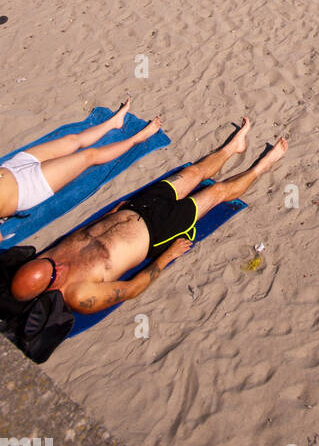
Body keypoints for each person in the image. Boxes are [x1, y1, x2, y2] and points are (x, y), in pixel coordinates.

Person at [8, 119, 288, 317]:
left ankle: (232, 148)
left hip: (138, 208)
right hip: (158, 231)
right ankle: (261, 167)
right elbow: (131, 289)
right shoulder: (80, 295)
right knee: (216, 192)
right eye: (55, 271)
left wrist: (113, 212)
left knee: (193, 174)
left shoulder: (48, 261)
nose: (58, 264)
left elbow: (85, 233)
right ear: (48, 289)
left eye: (49, 262)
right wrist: (167, 256)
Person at [1, 102, 160, 239]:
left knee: (71, 140)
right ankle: (136, 139)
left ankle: (113, 123)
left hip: (13, 167)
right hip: (28, 187)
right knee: (88, 156)